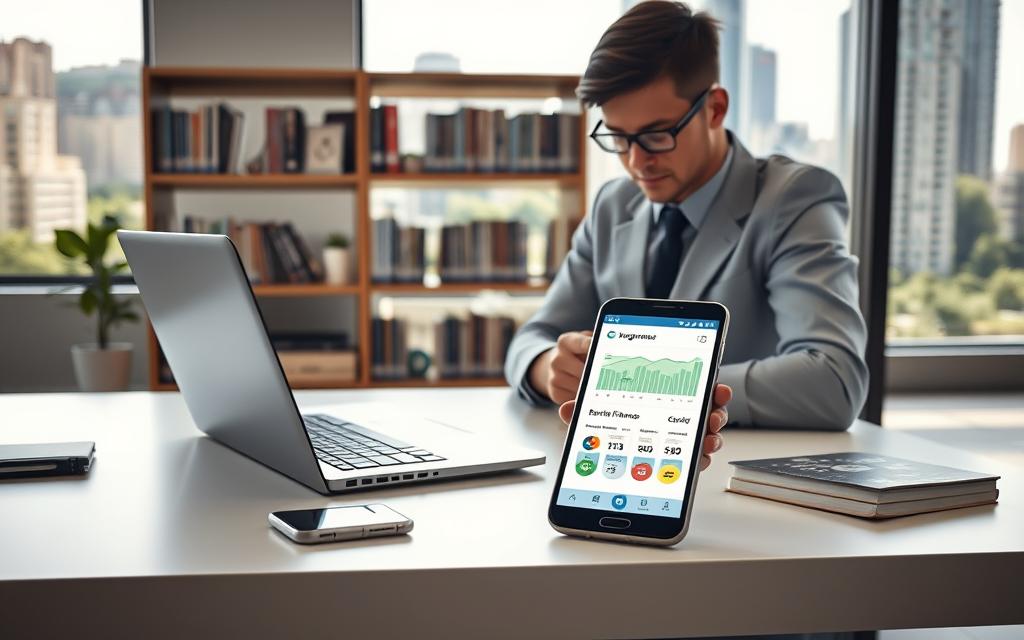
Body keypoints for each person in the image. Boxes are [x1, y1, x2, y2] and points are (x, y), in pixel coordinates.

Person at [505, 1, 869, 449]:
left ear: (715, 108)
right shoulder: (612, 206)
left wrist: (641, 389)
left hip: (747, 485)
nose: (637, 162)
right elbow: (531, 339)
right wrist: (550, 369)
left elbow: (833, 380)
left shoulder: (794, 198)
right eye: (618, 138)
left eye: (658, 135)